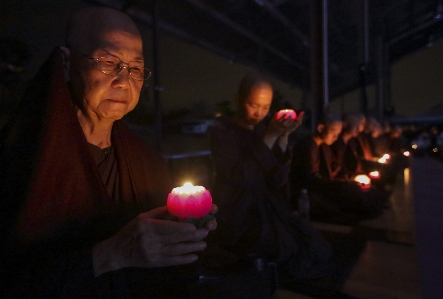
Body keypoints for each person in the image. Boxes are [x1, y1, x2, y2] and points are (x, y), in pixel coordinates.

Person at [0, 7, 216, 298]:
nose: (123, 80)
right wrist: (110, 255)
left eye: (135, 68)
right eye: (108, 61)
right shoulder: (20, 157)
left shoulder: (147, 161)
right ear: (66, 62)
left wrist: (184, 231)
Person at [207, 72, 336, 291]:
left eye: (265, 108)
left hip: (267, 206)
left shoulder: (263, 130)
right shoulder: (222, 131)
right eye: (253, 105)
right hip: (239, 211)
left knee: (315, 244)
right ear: (238, 99)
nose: (259, 113)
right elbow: (242, 178)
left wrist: (283, 137)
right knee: (287, 251)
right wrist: (269, 137)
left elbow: (277, 180)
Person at [290, 114, 384, 223]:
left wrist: (351, 178)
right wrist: (342, 185)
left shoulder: (323, 145)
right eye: (333, 133)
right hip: (310, 193)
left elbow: (335, 169)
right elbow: (310, 180)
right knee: (358, 195)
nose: (335, 137)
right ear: (321, 128)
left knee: (366, 191)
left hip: (325, 186)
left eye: (338, 134)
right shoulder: (307, 145)